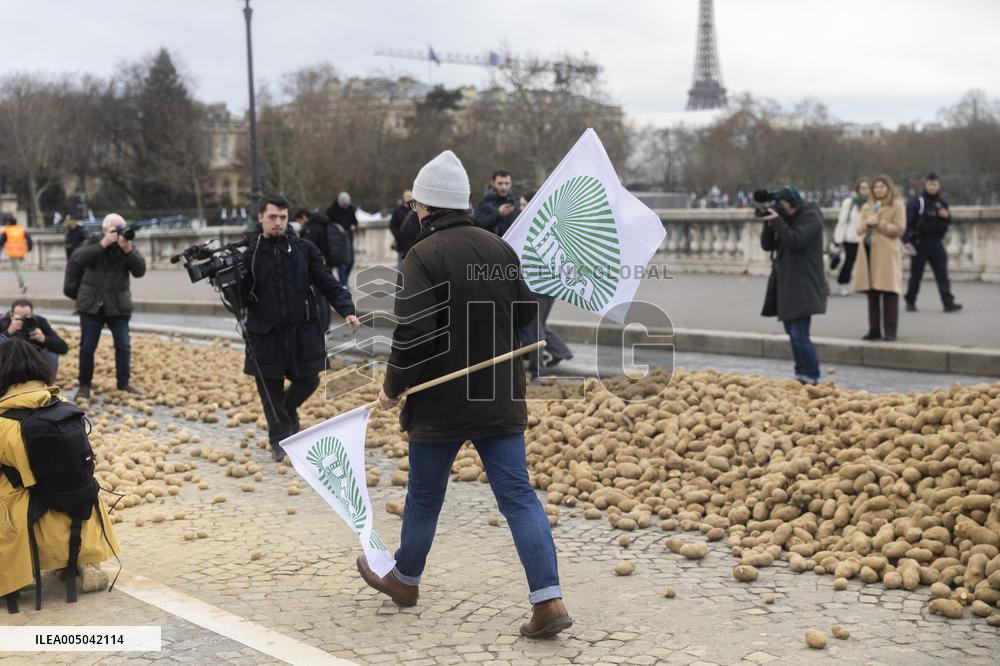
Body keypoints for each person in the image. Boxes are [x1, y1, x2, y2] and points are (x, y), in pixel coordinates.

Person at [358, 150, 571, 639]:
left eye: (416, 207)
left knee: (425, 497)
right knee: (519, 497)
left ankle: (405, 579)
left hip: (441, 401)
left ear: (427, 208)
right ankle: (549, 600)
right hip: (499, 396)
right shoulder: (499, 249)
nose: (414, 214)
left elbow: (411, 334)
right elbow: (524, 316)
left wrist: (393, 387)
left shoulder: (422, 255)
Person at [0, 338, 119, 612]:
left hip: (33, 522)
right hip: (82, 517)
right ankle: (83, 561)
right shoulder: (62, 405)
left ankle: (16, 575)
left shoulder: (4, 423)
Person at [241, 195, 360, 461]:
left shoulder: (304, 248)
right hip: (264, 334)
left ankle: (285, 411)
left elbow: (328, 282)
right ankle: (279, 441)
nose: (278, 222)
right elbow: (239, 298)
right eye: (272, 217)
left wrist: (346, 309)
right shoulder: (250, 254)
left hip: (301, 331)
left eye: (283, 217)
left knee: (309, 379)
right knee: (269, 387)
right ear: (260, 217)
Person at [760, 187, 828, 385]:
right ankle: (800, 373)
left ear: (791, 202)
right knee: (791, 331)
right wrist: (769, 224)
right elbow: (767, 245)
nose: (780, 209)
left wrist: (778, 221)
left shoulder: (811, 215)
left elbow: (796, 240)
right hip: (786, 281)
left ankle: (812, 375)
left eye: (781, 204)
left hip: (804, 281)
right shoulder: (785, 217)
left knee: (800, 334)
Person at [73, 214, 145, 400]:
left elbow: (140, 271)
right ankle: (84, 385)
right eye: (114, 230)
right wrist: (103, 243)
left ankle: (123, 383)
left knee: (123, 346)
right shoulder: (93, 242)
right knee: (87, 347)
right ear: (104, 230)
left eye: (121, 228)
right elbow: (80, 259)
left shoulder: (126, 245)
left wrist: (128, 250)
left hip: (118, 306)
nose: (119, 233)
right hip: (91, 305)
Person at [517, 191, 573, 379]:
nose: (521, 207)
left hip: (538, 286)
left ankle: (537, 367)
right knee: (539, 324)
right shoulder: (546, 224)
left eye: (524, 204)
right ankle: (560, 352)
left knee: (535, 328)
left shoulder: (534, 226)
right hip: (548, 286)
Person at [854, 175, 905, 341]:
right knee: (872, 293)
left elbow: (899, 229)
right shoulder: (867, 207)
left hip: (887, 253)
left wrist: (880, 223)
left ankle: (890, 331)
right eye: (875, 187)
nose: (878, 190)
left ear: (888, 188)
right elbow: (859, 229)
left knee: (889, 292)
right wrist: (867, 223)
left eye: (882, 187)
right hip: (868, 252)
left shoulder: (896, 205)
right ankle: (874, 329)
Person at [904, 173, 962, 313]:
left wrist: (947, 216)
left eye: (935, 184)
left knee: (942, 273)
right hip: (920, 242)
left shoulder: (942, 203)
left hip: (936, 242)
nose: (933, 187)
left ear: (939, 185)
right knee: (916, 274)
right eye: (930, 184)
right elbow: (908, 223)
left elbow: (947, 222)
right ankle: (910, 301)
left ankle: (948, 302)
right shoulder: (917, 202)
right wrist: (906, 241)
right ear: (926, 185)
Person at [1, 299, 69, 372]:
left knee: (51, 353)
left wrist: (44, 339)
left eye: (27, 317)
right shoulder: (4, 322)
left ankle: (48, 381)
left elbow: (63, 348)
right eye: (19, 318)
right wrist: (8, 332)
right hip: (10, 359)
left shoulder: (39, 322)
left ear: (32, 314)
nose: (23, 321)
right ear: (11, 315)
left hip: (35, 359)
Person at [832, 179, 869, 296]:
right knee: (849, 261)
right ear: (858, 189)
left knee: (866, 263)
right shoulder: (849, 203)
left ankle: (864, 285)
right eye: (862, 188)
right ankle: (843, 283)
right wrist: (838, 238)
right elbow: (843, 220)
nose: (865, 190)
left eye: (867, 188)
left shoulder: (872, 203)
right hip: (852, 237)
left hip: (867, 237)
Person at [325, 192, 359, 286]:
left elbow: (355, 222)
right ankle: (343, 284)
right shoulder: (331, 211)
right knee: (342, 264)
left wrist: (354, 226)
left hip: (348, 239)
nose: (345, 207)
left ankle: (344, 281)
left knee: (351, 261)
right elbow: (328, 225)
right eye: (343, 205)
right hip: (336, 241)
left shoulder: (350, 209)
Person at [475, 170, 519, 236]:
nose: (504, 187)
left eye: (507, 183)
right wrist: (498, 214)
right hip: (494, 243)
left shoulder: (516, 201)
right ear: (493, 183)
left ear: (511, 183)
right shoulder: (484, 203)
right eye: (500, 183)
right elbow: (480, 226)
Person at [389, 190, 420, 270]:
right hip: (402, 243)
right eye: (407, 196)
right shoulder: (398, 210)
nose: (409, 198)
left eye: (410, 196)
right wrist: (398, 236)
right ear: (404, 198)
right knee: (402, 266)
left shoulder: (417, 210)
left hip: (415, 242)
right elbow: (392, 225)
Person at [1, 215, 32, 294]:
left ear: (8, 223)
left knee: (18, 270)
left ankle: (23, 284)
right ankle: (21, 284)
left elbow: (1, 241)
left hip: (13, 253)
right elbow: (29, 239)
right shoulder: (21, 229)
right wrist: (29, 248)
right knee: (20, 269)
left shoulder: (7, 231)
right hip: (21, 252)